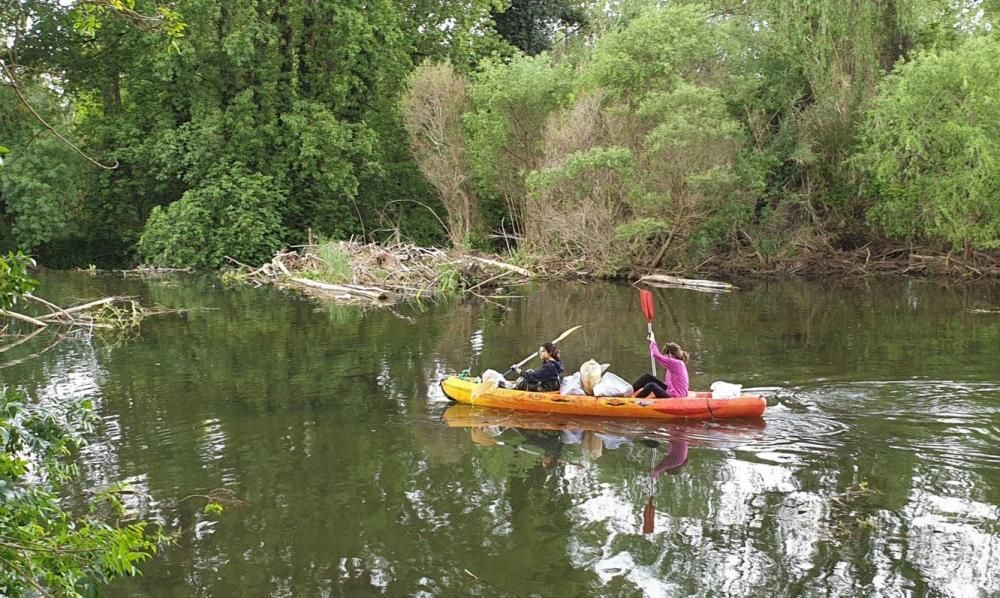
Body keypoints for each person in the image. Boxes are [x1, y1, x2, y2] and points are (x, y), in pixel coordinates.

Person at [631, 334, 689, 398]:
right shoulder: (673, 365)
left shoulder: (677, 363)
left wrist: (653, 341)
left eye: (667, 353)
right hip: (670, 390)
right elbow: (671, 383)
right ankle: (629, 391)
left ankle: (635, 401)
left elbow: (656, 355)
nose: (665, 356)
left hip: (676, 396)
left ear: (672, 354)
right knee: (647, 377)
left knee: (651, 385)